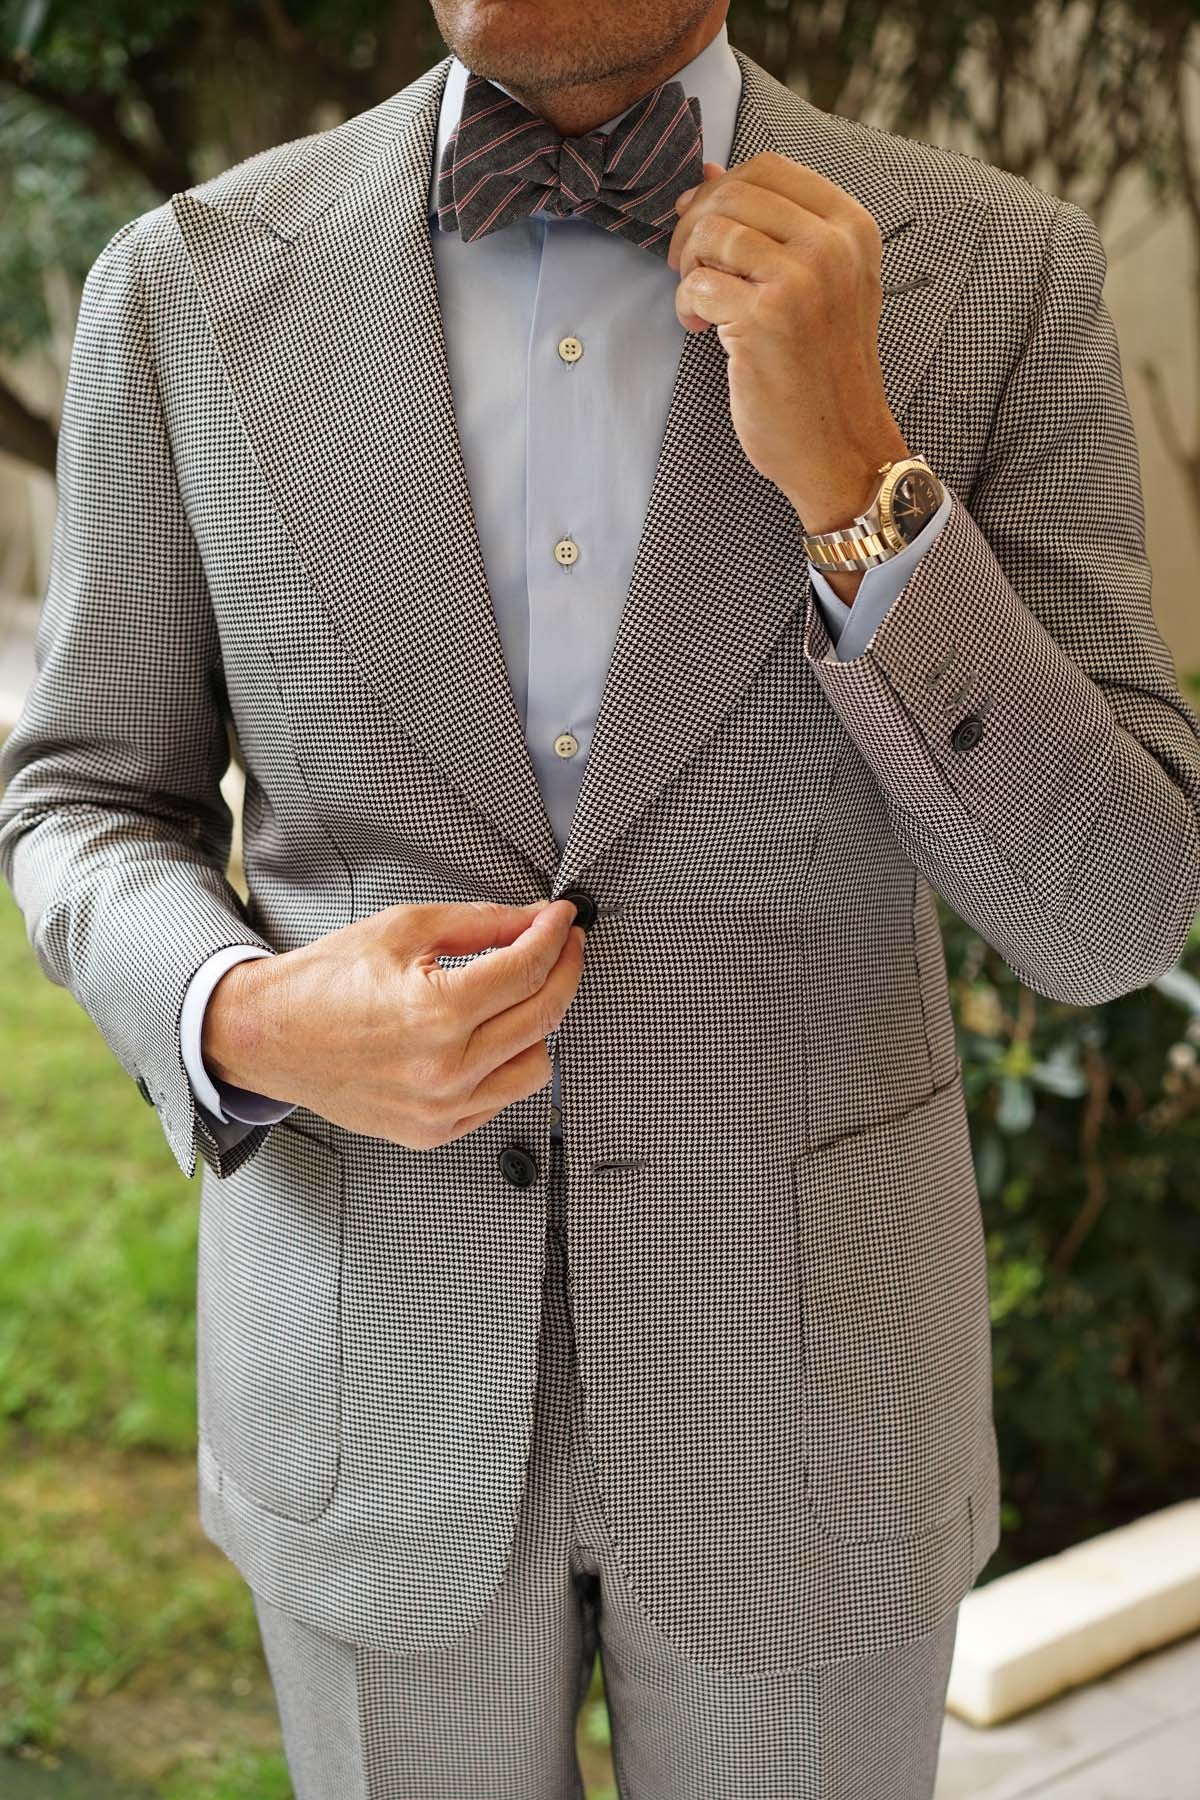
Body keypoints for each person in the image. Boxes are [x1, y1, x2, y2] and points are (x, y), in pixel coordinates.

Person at [2, 0, 1198, 1793]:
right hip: (366, 1395)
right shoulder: (187, 287)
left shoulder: (996, 274)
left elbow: (1112, 915)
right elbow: (83, 801)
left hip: (814, 1425)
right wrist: (244, 1016)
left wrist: (862, 481)